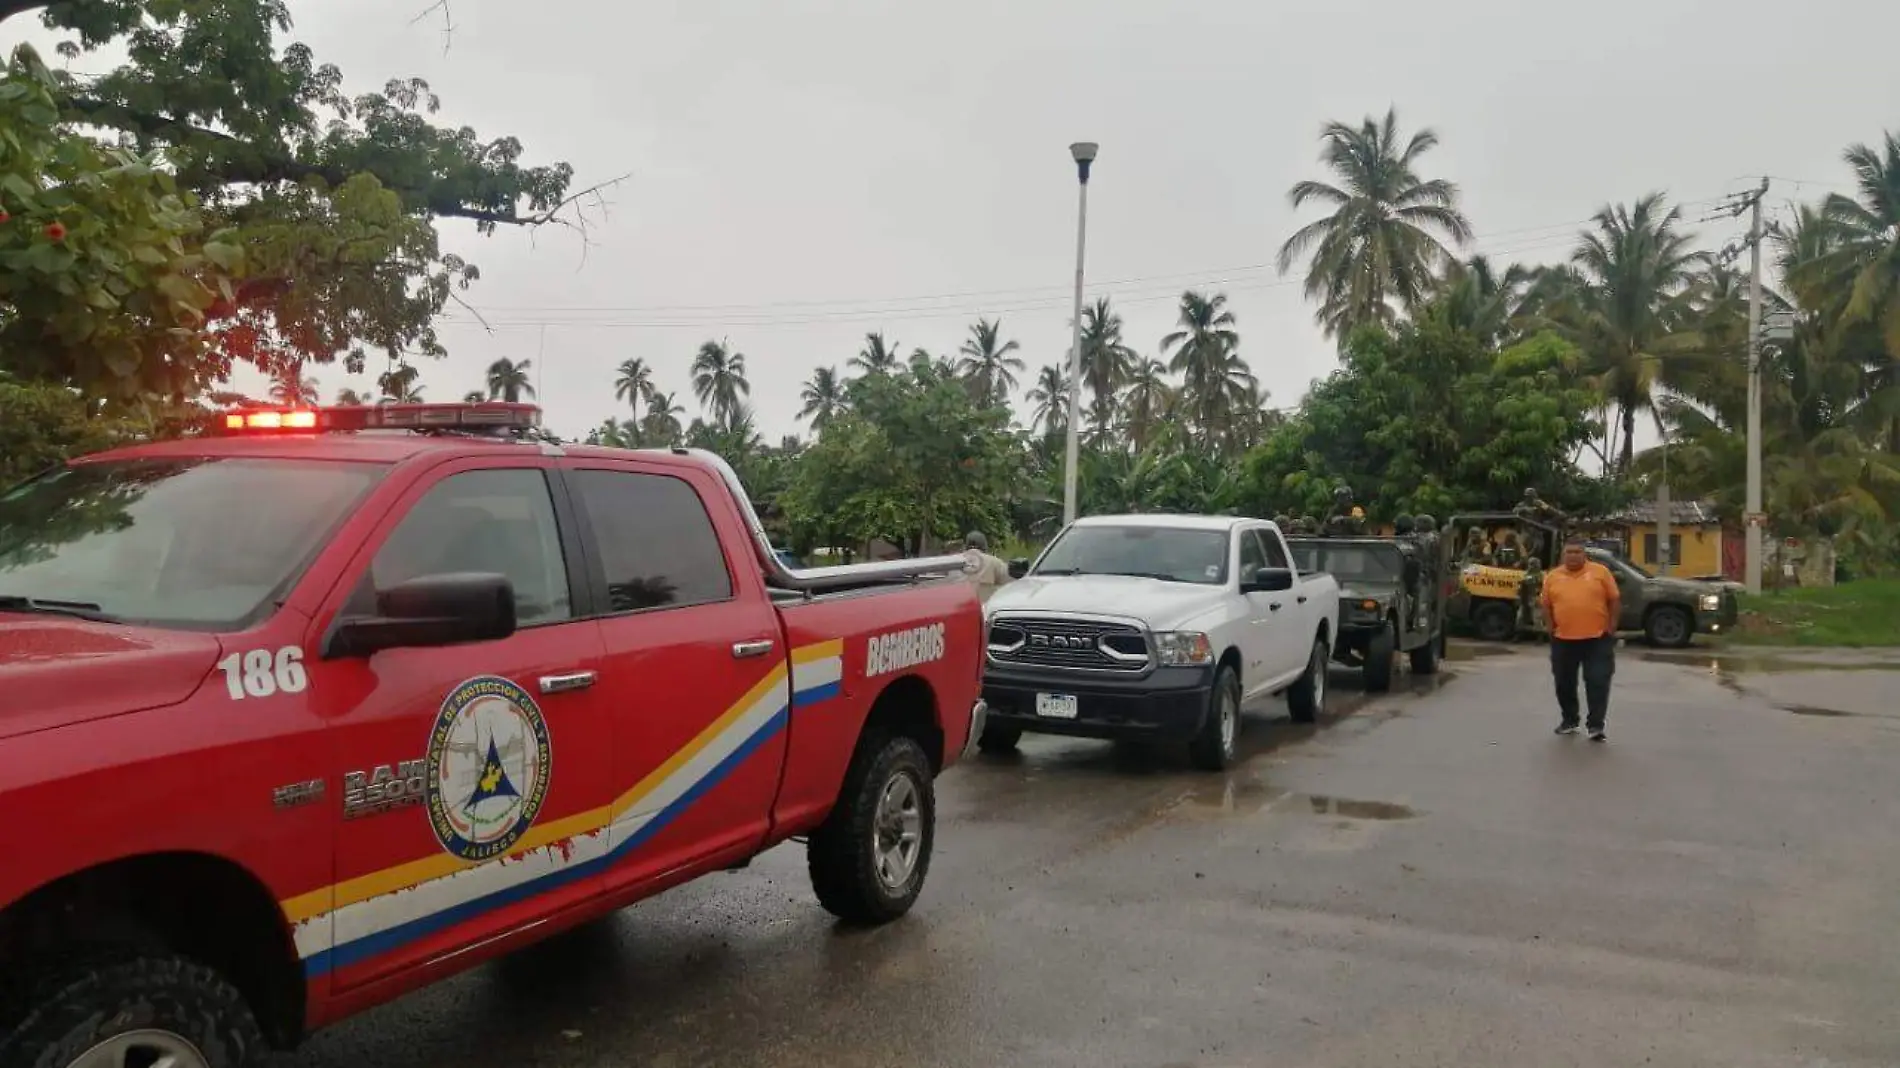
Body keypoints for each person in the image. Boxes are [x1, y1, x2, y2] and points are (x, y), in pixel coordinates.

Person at [1538, 536, 1621, 741]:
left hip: (1597, 638)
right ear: (1563, 555)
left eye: (1577, 552)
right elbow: (1545, 605)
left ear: (1585, 554)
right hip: (1563, 639)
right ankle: (1569, 720)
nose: (1573, 555)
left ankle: (1596, 726)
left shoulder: (1600, 572)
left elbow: (1614, 599)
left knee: (1598, 681)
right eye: (1569, 552)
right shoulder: (1552, 576)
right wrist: (1551, 628)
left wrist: (1611, 627)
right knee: (1564, 683)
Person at [961, 530, 1012, 604]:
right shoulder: (995, 562)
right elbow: (1010, 583)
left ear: (966, 545)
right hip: (987, 608)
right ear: (984, 545)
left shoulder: (954, 562)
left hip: (962, 608)